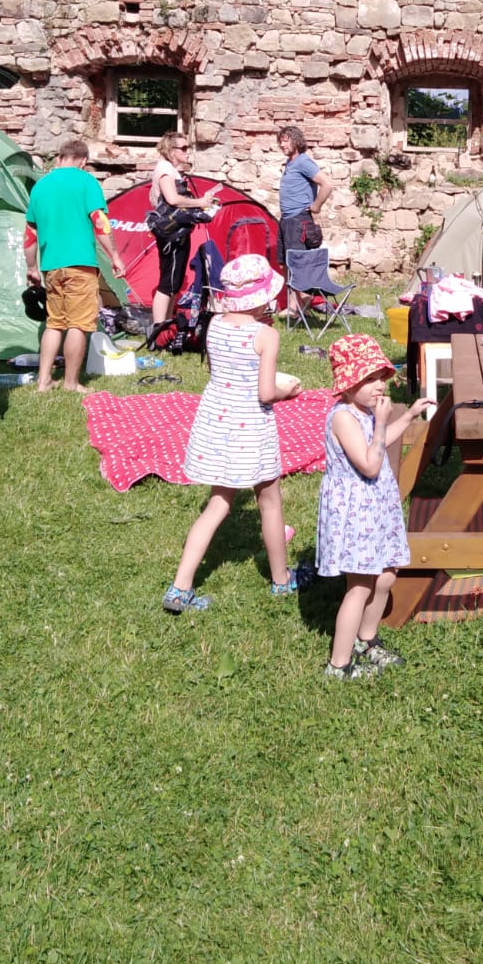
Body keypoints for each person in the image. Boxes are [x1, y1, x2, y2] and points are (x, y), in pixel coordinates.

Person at [162, 254, 305, 612]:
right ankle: (281, 581)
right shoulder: (267, 335)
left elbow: (221, 371)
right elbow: (265, 393)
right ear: (262, 297)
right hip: (251, 428)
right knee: (270, 502)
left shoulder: (214, 325)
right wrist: (288, 392)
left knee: (217, 504)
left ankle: (180, 587)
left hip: (217, 422)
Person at [317, 333, 431, 680]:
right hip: (355, 511)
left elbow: (379, 445)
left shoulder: (365, 412)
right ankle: (339, 664)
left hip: (376, 507)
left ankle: (366, 640)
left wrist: (407, 417)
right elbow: (369, 464)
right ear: (347, 384)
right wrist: (381, 423)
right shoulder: (344, 418)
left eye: (381, 377)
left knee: (386, 576)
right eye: (369, 379)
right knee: (361, 585)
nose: (380, 385)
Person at [25, 138, 126, 393]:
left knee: (54, 323)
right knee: (78, 324)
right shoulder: (87, 181)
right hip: (80, 264)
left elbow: (30, 233)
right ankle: (71, 383)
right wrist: (114, 255)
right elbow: (99, 221)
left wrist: (32, 267)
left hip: (50, 266)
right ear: (84, 161)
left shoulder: (40, 186)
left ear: (59, 158)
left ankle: (43, 381)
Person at [149, 131, 221, 329]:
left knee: (175, 281)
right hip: (170, 234)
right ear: (172, 151)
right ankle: (158, 330)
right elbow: (172, 199)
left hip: (178, 232)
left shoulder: (171, 170)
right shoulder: (165, 170)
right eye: (183, 148)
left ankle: (166, 325)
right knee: (168, 282)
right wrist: (200, 202)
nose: (188, 151)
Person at [277, 124, 333, 317]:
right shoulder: (290, 163)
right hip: (286, 220)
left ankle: (299, 305)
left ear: (296, 141)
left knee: (296, 263)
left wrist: (316, 206)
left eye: (286, 141)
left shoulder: (303, 162)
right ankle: (297, 304)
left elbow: (327, 184)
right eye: (280, 141)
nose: (282, 145)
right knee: (285, 264)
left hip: (298, 220)